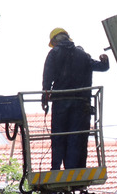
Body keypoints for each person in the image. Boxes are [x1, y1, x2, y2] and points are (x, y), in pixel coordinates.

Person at [41, 27, 109, 170]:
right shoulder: (83, 55)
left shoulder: (53, 54)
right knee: (77, 137)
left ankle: (55, 168)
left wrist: (45, 98)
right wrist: (105, 61)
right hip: (81, 104)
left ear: (54, 41)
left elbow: (47, 78)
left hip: (61, 103)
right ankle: (76, 169)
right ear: (68, 38)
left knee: (59, 135)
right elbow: (102, 67)